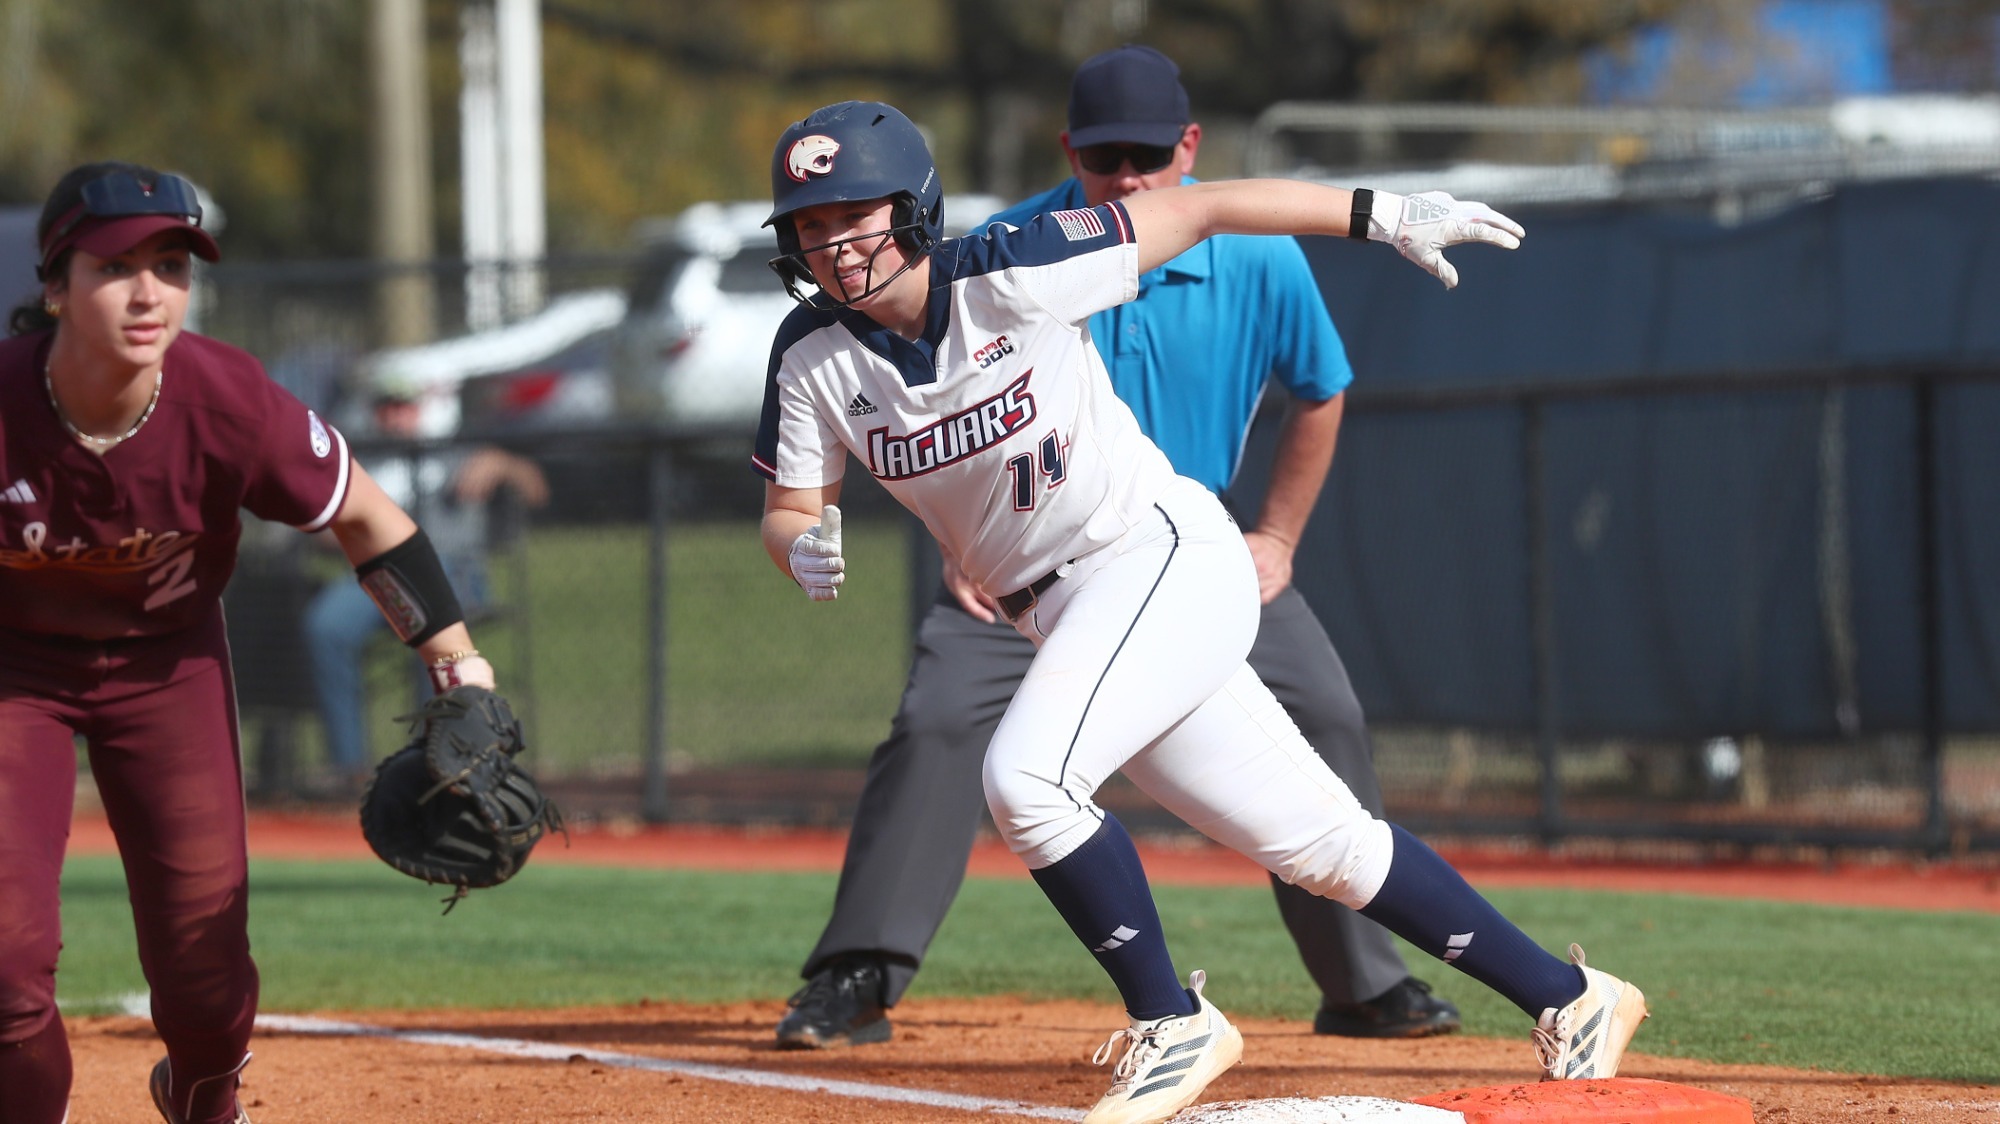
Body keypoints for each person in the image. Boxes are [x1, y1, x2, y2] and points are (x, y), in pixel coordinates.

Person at [754, 102, 1649, 1124]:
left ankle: (1169, 1018)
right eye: (809, 226)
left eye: (850, 214)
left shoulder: (1009, 267)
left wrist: (1382, 211)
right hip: (1064, 612)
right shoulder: (811, 354)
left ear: (913, 207)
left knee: (1026, 780)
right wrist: (802, 544)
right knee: (1329, 848)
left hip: (1154, 556)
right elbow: (790, 505)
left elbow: (1212, 204)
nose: (831, 244)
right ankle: (1572, 997)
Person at [774, 44, 1459, 1054]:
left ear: (1188, 145)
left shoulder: (1255, 250)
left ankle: (1361, 979)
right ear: (1069, 153)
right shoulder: (1016, 244)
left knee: (1322, 714)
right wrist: (953, 545)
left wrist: (1275, 533)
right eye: (1104, 157)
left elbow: (1319, 389)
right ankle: (856, 975)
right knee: (935, 723)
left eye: (1147, 151)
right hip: (1011, 576)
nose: (1127, 175)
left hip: (1188, 545)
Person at [0, 161, 501, 1124]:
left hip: (164, 666)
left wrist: (459, 667)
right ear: (55, 286)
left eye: (172, 263)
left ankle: (200, 1096)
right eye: (114, 265)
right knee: (7, 968)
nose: (149, 291)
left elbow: (369, 522)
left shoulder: (227, 399)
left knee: (205, 971)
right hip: (13, 671)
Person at [303, 374, 548, 792]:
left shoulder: (459, 451)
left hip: (456, 573)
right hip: (380, 576)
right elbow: (321, 532)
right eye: (387, 408)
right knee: (325, 624)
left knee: (429, 631)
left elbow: (537, 490)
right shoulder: (364, 464)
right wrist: (339, 524)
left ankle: (434, 762)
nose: (396, 417)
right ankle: (348, 767)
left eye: (407, 406)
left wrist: (503, 464)